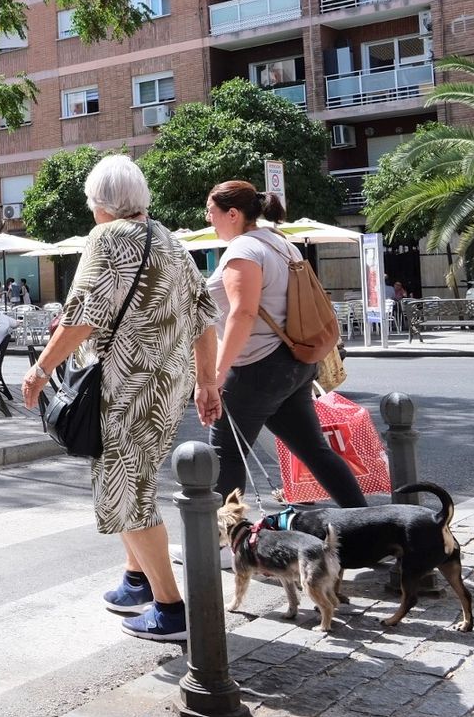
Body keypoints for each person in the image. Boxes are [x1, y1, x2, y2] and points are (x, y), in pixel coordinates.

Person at [21, 155, 220, 643]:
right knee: (140, 481)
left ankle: (171, 610)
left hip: (123, 390)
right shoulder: (172, 242)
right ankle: (136, 580)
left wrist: (41, 367)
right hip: (166, 388)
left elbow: (80, 316)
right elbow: (204, 316)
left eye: (91, 202)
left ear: (102, 204)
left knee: (126, 493)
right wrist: (207, 383)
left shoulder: (106, 239)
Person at [202, 180, 369, 513]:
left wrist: (216, 374)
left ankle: (219, 543)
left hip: (257, 366)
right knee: (315, 451)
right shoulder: (281, 244)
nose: (208, 219)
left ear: (232, 214)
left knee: (227, 454)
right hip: (293, 362)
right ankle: (370, 526)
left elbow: (244, 312)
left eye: (211, 211)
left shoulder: (243, 250)